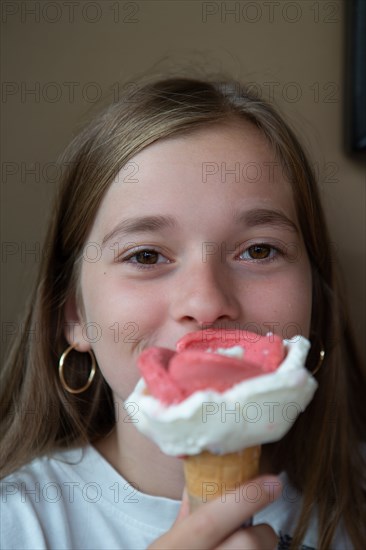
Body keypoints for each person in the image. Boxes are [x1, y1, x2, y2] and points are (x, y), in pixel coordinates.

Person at [1, 77, 365, 550]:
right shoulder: (18, 527)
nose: (206, 302)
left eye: (258, 250)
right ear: (73, 314)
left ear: (312, 303)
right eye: (146, 256)